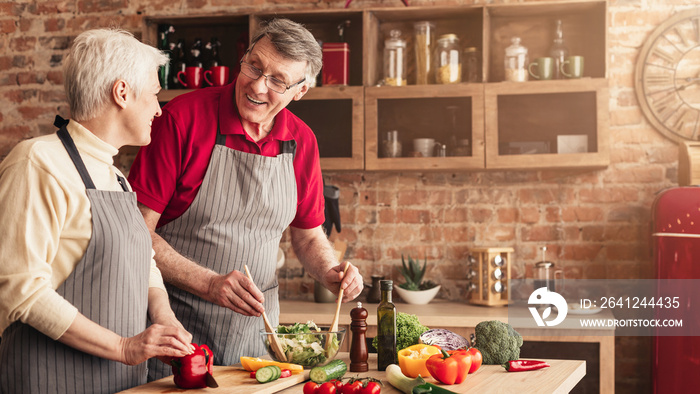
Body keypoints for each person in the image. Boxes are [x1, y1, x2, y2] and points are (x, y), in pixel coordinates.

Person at [127, 18, 364, 379]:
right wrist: (208, 283)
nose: (257, 85)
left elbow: (309, 235)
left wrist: (330, 272)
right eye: (255, 66)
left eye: (278, 81)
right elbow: (136, 231)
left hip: (257, 338)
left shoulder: (302, 141)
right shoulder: (182, 119)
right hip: (174, 330)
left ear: (299, 91)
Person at [0, 29, 194, 393]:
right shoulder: (37, 162)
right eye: (154, 94)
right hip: (47, 380)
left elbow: (145, 262)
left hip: (118, 382)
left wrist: (164, 320)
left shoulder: (115, 176)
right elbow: (20, 290)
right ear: (122, 93)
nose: (158, 108)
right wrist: (124, 347)